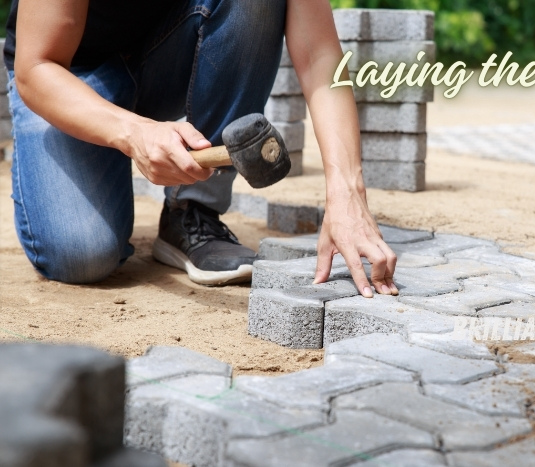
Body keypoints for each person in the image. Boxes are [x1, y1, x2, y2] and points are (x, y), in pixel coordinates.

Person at [4, 0, 398, 298]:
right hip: (69, 73)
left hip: (168, 53)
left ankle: (193, 210)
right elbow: (37, 67)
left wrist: (348, 192)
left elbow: (320, 55)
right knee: (82, 254)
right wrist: (132, 132)